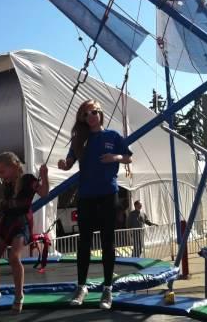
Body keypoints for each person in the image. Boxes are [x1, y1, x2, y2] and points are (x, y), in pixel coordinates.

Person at [58, 99, 132, 310]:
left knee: (108, 243)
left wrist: (115, 157)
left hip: (108, 195)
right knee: (84, 243)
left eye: (93, 112)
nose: (90, 116)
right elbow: (69, 162)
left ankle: (107, 288)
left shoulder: (113, 136)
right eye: (85, 114)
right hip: (86, 196)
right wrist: (63, 165)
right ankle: (81, 286)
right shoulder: (80, 139)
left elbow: (128, 158)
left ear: (100, 114)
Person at [0, 152, 49, 313]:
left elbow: (44, 193)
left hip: (21, 224)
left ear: (14, 167)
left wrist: (44, 175)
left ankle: (19, 294)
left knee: (14, 257)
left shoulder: (28, 180)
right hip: (6, 224)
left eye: (2, 171)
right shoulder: (6, 183)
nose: (0, 176)